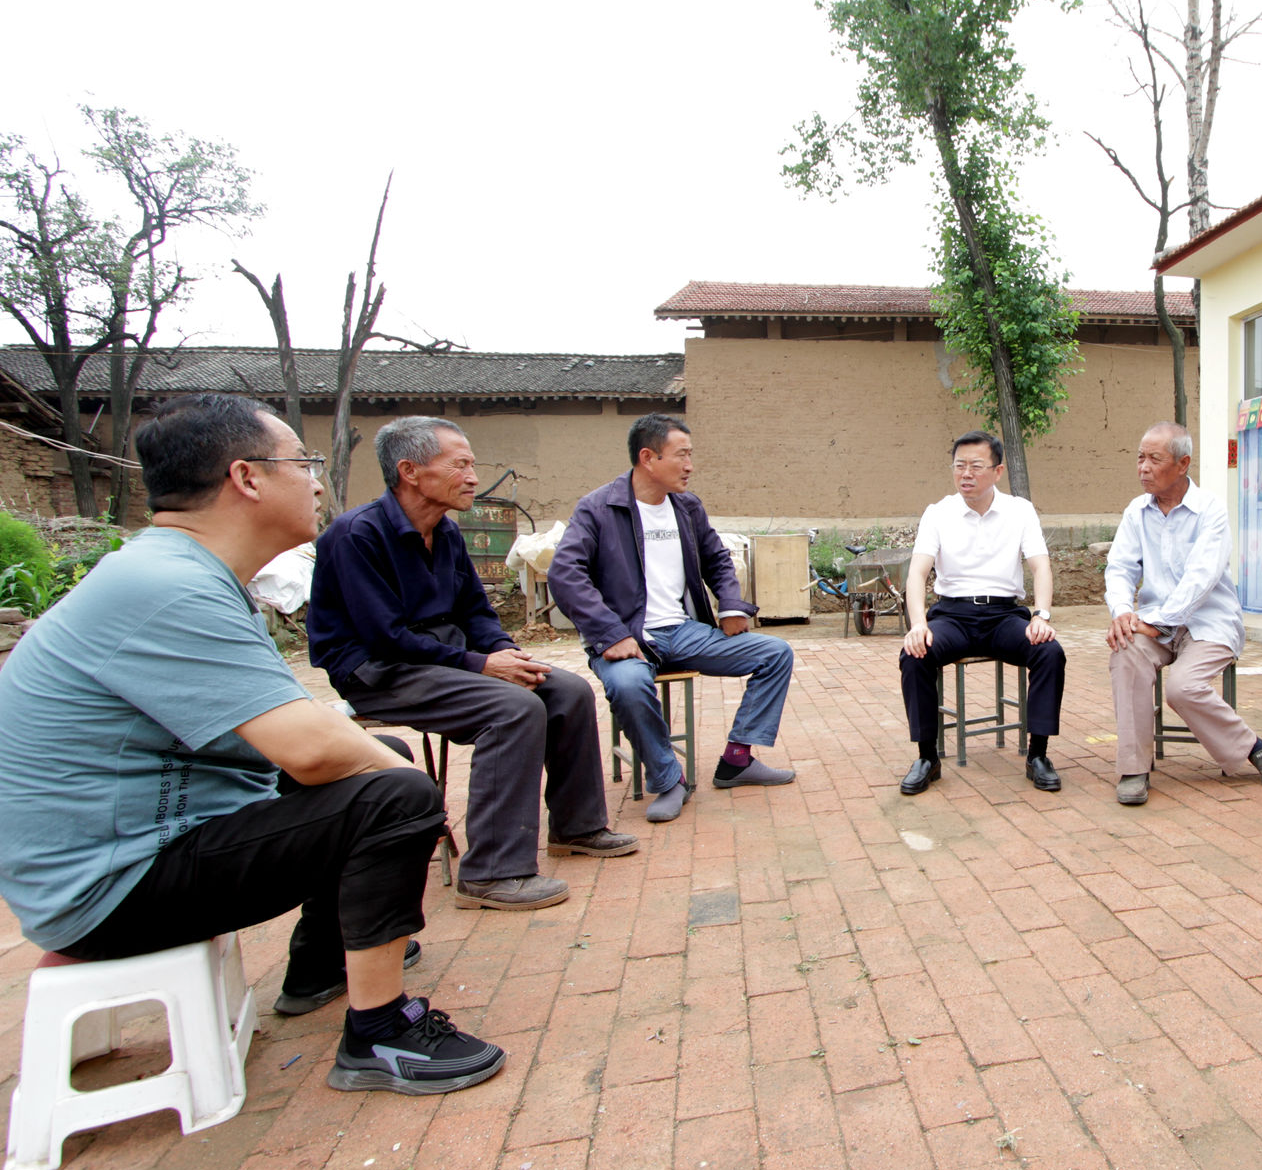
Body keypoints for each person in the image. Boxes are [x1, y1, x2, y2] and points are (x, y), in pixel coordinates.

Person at [0, 395, 503, 1096]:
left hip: (118, 851)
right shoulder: (171, 585)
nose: (318, 478)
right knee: (392, 791)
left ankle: (321, 964)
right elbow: (309, 749)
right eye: (302, 461)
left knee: (376, 763)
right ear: (246, 477)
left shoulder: (180, 570)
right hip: (112, 883)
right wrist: (406, 790)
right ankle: (381, 1033)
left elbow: (290, 735)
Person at [309, 417, 635, 913]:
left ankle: (577, 827)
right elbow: (385, 636)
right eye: (460, 464)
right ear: (410, 470)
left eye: (471, 465)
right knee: (511, 708)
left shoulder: (446, 533)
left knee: (565, 689)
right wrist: (481, 665)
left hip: (444, 659)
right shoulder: (355, 535)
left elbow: (476, 613)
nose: (473, 477)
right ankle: (491, 873)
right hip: (376, 669)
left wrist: (506, 653)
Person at [547, 415, 797, 824]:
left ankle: (737, 760)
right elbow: (565, 574)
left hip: (683, 632)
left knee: (775, 653)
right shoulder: (598, 508)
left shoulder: (686, 506)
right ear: (648, 457)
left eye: (690, 456)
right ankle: (668, 780)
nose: (689, 466)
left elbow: (717, 559)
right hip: (625, 639)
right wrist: (609, 634)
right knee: (628, 685)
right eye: (681, 455)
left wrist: (731, 605)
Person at [1104, 422, 1262, 806]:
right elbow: (1120, 568)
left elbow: (1201, 577)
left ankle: (1252, 746)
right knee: (1125, 653)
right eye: (1140, 457)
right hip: (1154, 622)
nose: (1143, 467)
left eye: (1155, 459)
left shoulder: (1211, 511)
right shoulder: (1136, 512)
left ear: (1183, 463)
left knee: (1183, 687)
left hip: (1209, 621)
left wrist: (1158, 622)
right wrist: (1123, 612)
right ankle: (1134, 767)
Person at [900, 431, 1066, 795]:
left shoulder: (1019, 510)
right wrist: (918, 625)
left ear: (998, 471)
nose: (966, 474)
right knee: (915, 653)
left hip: (1004, 617)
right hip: (952, 617)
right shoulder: (938, 513)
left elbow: (1041, 566)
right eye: (959, 466)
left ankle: (1038, 754)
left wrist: (1042, 615)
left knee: (1049, 652)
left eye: (976, 466)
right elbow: (917, 572)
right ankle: (927, 757)